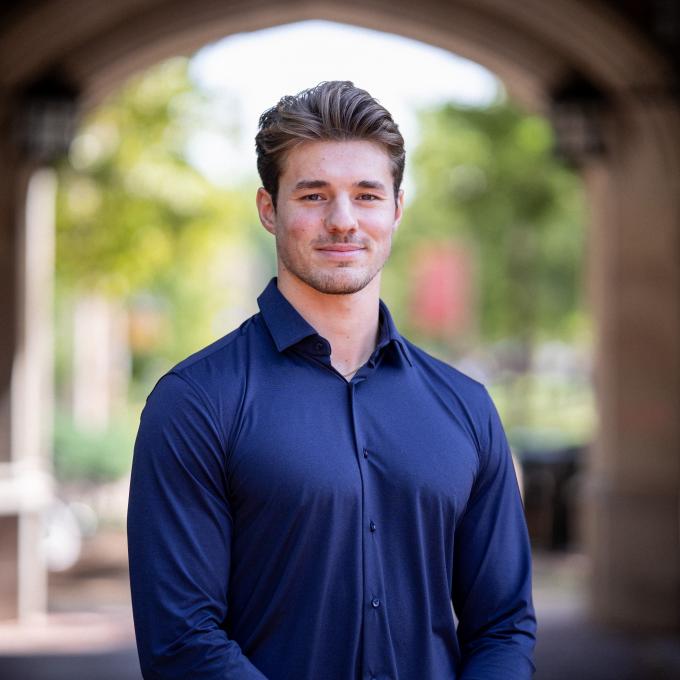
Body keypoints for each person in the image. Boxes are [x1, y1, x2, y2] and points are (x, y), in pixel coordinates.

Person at [127, 80, 536, 680]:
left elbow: (503, 626)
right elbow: (182, 640)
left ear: (396, 209)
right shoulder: (195, 403)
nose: (343, 221)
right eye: (314, 195)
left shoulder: (466, 406)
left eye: (367, 195)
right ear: (270, 209)